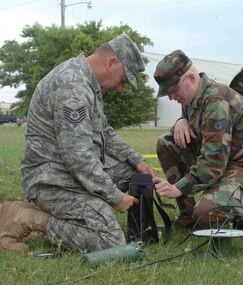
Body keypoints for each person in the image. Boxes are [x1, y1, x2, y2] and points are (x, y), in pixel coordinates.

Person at [0, 33, 154, 252]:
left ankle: (137, 230)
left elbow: (105, 133)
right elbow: (78, 157)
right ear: (111, 62)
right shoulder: (73, 86)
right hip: (52, 180)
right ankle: (28, 217)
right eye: (123, 79)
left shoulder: (87, 81)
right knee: (111, 242)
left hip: (69, 172)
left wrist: (137, 160)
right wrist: (116, 197)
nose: (121, 87)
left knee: (135, 176)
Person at [152, 50, 243, 230]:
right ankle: (187, 215)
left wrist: (180, 188)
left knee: (206, 214)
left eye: (174, 89)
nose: (171, 97)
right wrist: (181, 120)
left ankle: (239, 206)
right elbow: (194, 119)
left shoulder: (216, 102)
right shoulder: (194, 97)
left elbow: (213, 162)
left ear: (191, 78)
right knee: (166, 142)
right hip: (221, 163)